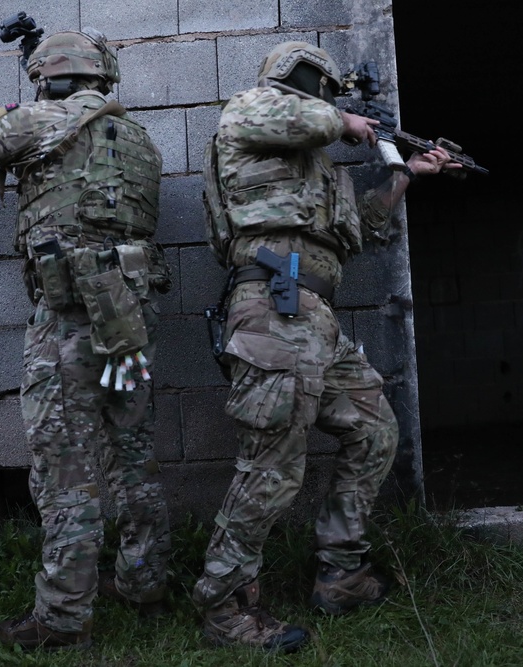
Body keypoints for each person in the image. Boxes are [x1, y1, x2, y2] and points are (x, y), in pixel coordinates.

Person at [0, 29, 171, 650]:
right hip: (129, 329)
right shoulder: (137, 139)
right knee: (132, 451)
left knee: (63, 465)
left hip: (70, 324)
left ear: (50, 75)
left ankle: (63, 619)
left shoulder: (46, 118)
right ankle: (144, 583)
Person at [195, 41, 457, 652]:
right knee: (272, 466)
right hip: (272, 306)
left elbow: (358, 232)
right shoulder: (250, 112)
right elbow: (287, 118)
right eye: (329, 97)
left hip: (314, 317)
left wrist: (403, 176)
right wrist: (348, 122)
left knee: (375, 428)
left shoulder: (315, 168)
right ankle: (223, 609)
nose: (336, 109)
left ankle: (341, 573)